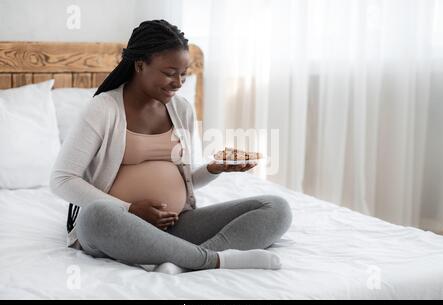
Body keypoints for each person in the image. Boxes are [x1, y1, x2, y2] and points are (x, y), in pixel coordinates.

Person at [49, 20, 292, 274]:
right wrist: (130, 209)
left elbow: (187, 181)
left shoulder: (181, 108)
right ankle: (212, 260)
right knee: (94, 216)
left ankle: (179, 262)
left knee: (276, 208)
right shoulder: (103, 109)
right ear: (140, 65)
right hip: (119, 225)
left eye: (184, 74)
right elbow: (62, 179)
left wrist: (214, 168)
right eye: (169, 72)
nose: (178, 83)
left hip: (176, 225)